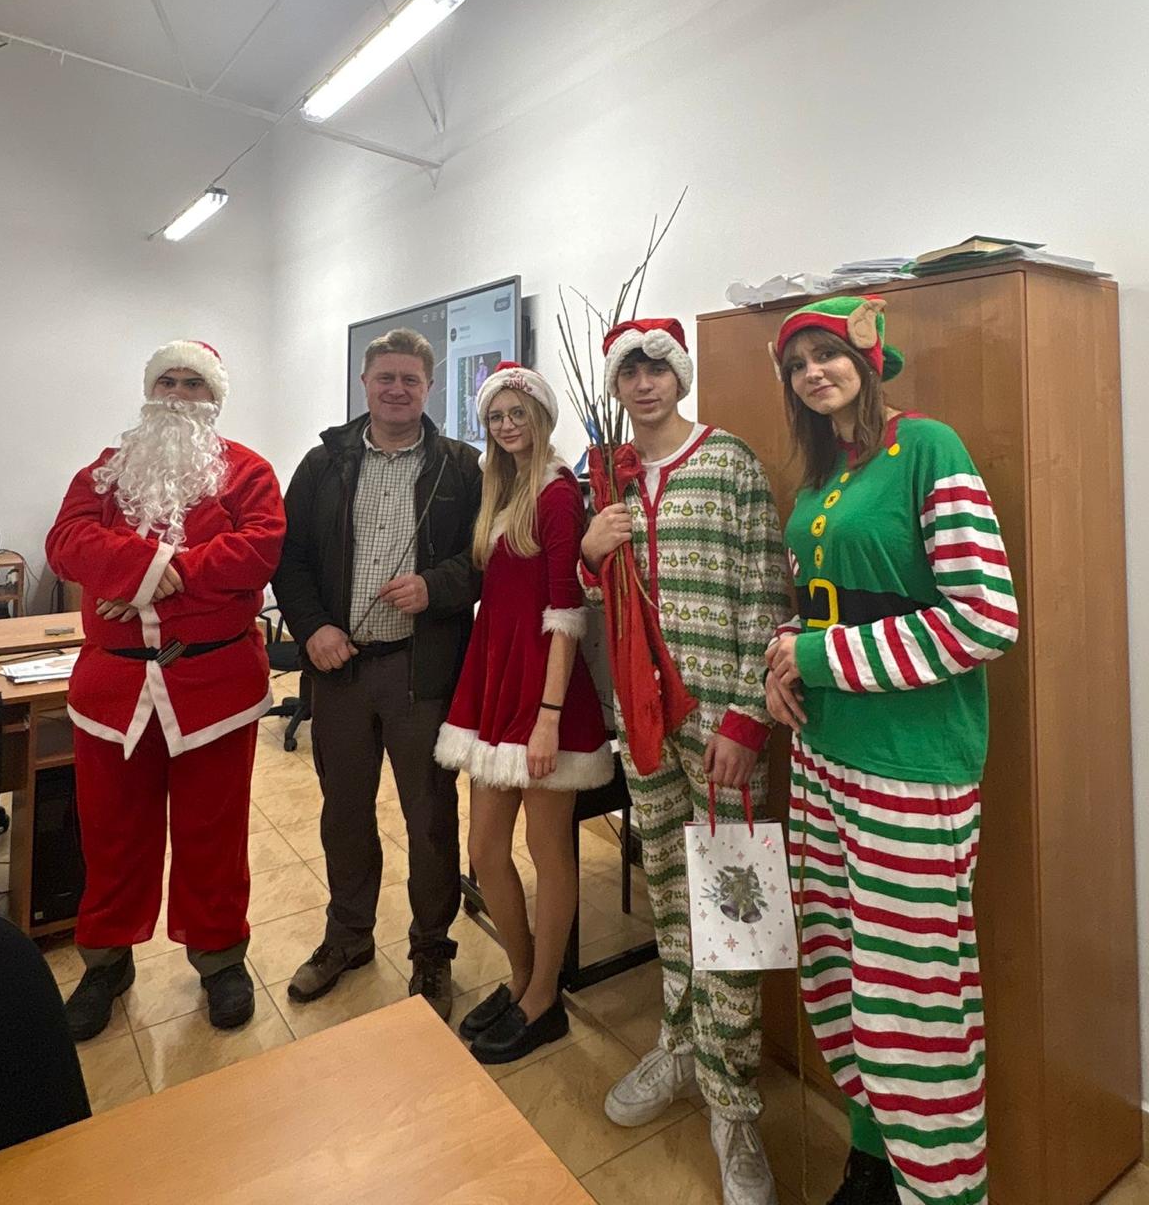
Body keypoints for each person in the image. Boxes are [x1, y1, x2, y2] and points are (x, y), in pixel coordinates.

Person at [763, 296, 1019, 1205]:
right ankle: (874, 1157)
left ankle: (944, 1189)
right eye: (798, 365)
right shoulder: (821, 475)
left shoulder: (929, 448)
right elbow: (820, 610)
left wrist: (817, 658)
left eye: (828, 355)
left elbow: (984, 619)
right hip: (822, 758)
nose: (813, 374)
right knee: (840, 976)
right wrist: (782, 661)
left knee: (912, 1002)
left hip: (910, 768)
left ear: (869, 360)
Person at [580, 318, 790, 1205]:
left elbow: (768, 593)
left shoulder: (730, 463)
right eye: (629, 372)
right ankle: (677, 1046)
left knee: (734, 907)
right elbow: (608, 595)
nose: (644, 385)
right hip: (644, 724)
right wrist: (591, 556)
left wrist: (748, 719)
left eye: (657, 369)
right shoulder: (610, 475)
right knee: (668, 889)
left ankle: (734, 1106)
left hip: (721, 731)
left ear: (679, 377)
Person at [45, 341, 285, 1039]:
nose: (178, 394)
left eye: (194, 383)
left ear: (215, 398)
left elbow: (257, 551)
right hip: (115, 690)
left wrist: (147, 587)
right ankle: (106, 962)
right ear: (150, 392)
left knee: (214, 834)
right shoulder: (104, 473)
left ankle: (219, 957)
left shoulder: (248, 472)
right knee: (112, 834)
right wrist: (148, 568)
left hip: (214, 689)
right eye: (167, 381)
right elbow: (66, 543)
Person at [273, 327, 482, 1020]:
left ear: (429, 388)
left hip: (420, 672)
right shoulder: (323, 464)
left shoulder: (461, 468)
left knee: (430, 817)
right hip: (340, 669)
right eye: (385, 377)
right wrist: (312, 628)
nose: (397, 389)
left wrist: (435, 586)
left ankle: (431, 949)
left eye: (410, 380)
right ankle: (348, 937)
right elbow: (290, 558)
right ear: (364, 383)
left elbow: (485, 559)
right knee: (344, 813)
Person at [434, 362, 612, 1064]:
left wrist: (548, 716)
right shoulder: (501, 490)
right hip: (495, 683)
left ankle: (543, 998)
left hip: (544, 690)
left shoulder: (558, 493)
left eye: (518, 413)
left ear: (541, 417)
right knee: (484, 851)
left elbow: (566, 611)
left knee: (548, 851)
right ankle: (520, 975)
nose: (507, 426)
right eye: (496, 416)